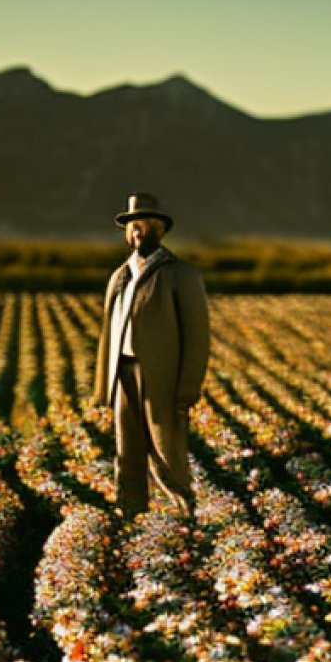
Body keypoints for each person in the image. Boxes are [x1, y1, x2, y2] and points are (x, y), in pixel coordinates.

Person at [92, 192, 209, 519]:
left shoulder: (181, 275)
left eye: (144, 223)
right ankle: (129, 512)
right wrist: (104, 386)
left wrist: (188, 387)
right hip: (123, 371)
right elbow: (107, 333)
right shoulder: (119, 277)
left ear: (161, 228)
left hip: (162, 376)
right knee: (126, 450)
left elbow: (197, 338)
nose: (137, 230)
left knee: (166, 449)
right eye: (131, 225)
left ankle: (184, 513)